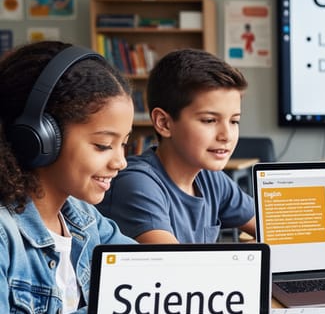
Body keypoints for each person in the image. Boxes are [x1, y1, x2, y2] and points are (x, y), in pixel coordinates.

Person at [0, 41, 135, 314]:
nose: (120, 161)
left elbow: (153, 269)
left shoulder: (84, 221)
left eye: (125, 144)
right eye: (104, 145)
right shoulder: (4, 234)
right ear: (41, 138)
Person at [97, 49, 256, 243]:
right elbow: (176, 268)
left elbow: (277, 230)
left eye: (234, 121)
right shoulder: (137, 183)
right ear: (164, 123)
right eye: (209, 120)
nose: (226, 135)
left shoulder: (210, 178)